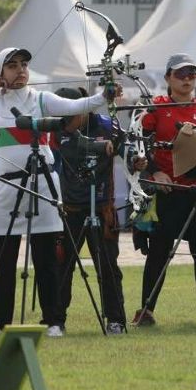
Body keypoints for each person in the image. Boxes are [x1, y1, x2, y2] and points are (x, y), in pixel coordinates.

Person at [0, 47, 108, 337]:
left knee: (45, 257)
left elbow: (81, 105)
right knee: (4, 258)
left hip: (42, 183)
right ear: (0, 72)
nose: (21, 70)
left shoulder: (41, 99)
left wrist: (106, 94)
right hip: (7, 187)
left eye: (24, 65)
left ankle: (53, 320)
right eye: (12, 65)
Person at [135, 53, 196, 329]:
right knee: (159, 252)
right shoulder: (156, 107)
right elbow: (140, 143)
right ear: (168, 79)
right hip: (168, 190)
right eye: (180, 74)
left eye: (191, 74)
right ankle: (146, 310)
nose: (187, 79)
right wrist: (154, 171)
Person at [53, 87, 128, 334]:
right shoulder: (57, 128)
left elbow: (130, 152)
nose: (66, 119)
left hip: (102, 207)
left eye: (70, 112)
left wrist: (137, 160)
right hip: (69, 208)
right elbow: (67, 149)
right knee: (61, 267)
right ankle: (56, 321)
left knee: (107, 267)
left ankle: (115, 320)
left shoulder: (108, 125)